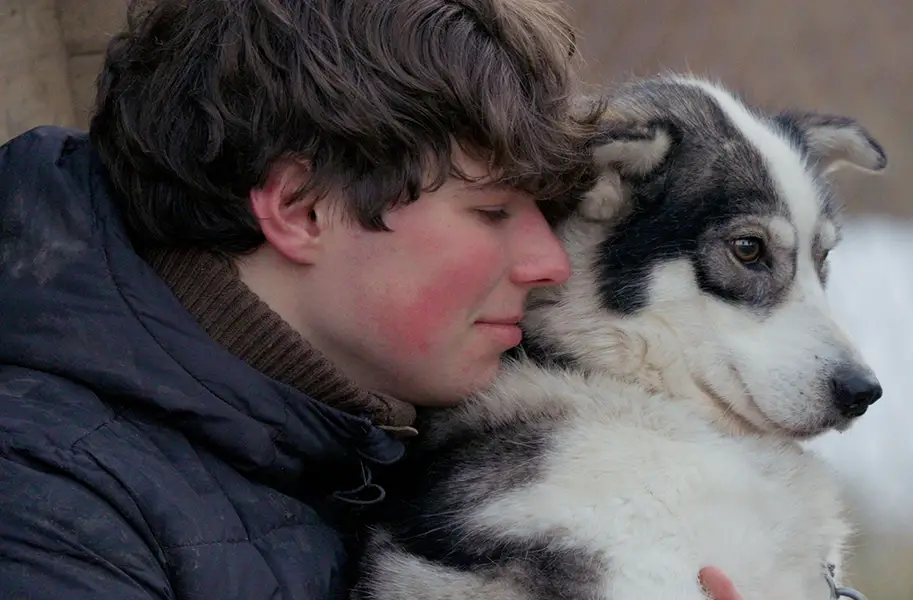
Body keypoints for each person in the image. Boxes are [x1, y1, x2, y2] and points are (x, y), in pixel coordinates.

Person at [0, 0, 748, 598]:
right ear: (301, 209)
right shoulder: (46, 508)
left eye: (547, 214)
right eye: (492, 213)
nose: (549, 263)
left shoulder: (378, 430)